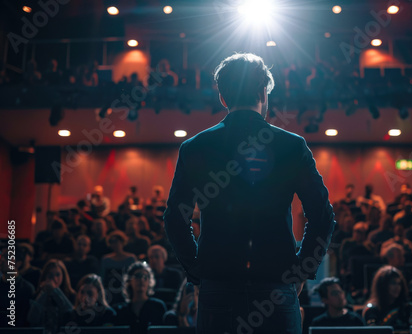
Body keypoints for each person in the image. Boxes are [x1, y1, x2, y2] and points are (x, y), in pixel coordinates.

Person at [164, 53, 335, 334]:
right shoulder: (292, 146)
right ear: (262, 92)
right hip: (276, 287)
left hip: (218, 286)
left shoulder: (195, 147)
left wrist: (196, 269)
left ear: (222, 97)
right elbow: (322, 217)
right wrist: (303, 270)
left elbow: (175, 218)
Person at [114, 262, 167, 334]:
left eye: (145, 277)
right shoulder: (120, 309)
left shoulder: (158, 306)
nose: (142, 280)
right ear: (129, 281)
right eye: (138, 276)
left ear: (149, 282)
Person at [28, 260, 76, 334]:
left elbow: (71, 315)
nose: (54, 279)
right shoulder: (37, 294)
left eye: (58, 275)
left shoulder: (70, 295)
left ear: (63, 276)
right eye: (50, 275)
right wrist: (44, 293)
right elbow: (32, 319)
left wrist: (55, 290)